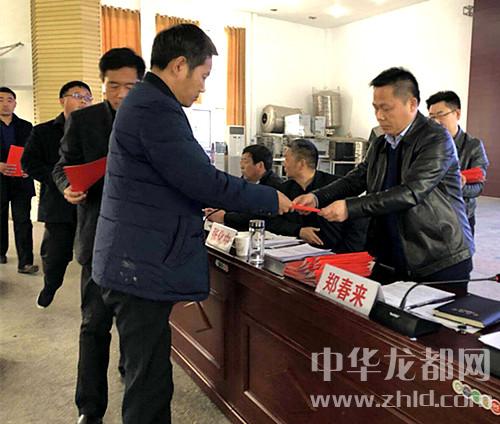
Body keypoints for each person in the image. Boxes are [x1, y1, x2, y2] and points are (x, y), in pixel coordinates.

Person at [91, 24, 291, 424]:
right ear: (180, 65)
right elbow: (203, 181)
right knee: (149, 382)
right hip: (140, 265)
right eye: (203, 75)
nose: (202, 87)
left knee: (146, 370)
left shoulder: (147, 102)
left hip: (136, 258)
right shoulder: (155, 108)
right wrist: (271, 199)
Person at [294, 67, 474, 287]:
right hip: (390, 253)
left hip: (437, 254)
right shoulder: (381, 142)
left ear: (412, 104)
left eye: (386, 108)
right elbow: (357, 178)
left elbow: (411, 192)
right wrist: (317, 197)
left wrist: (350, 207)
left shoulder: (436, 139)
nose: (379, 116)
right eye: (376, 108)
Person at [52, 49, 145, 424]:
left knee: (137, 327)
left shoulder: (154, 119)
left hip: (141, 240)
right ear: (102, 84)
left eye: (130, 86)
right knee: (93, 326)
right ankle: (89, 409)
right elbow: (62, 166)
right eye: (113, 85)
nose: (121, 94)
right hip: (98, 237)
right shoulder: (84, 120)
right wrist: (66, 187)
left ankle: (129, 375)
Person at [22, 81, 93, 308]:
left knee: (93, 256)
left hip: (91, 203)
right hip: (58, 202)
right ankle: (50, 286)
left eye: (88, 98)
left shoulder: (97, 131)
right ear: (62, 100)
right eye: (77, 95)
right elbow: (28, 162)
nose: (83, 101)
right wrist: (61, 182)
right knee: (55, 256)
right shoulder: (43, 131)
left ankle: (96, 307)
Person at [267, 138, 368, 252]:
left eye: (286, 159)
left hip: (335, 254)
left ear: (301, 164)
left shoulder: (338, 188)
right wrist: (299, 230)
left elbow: (357, 225)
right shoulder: (284, 190)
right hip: (291, 253)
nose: (283, 163)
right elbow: (271, 221)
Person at [426, 90, 489, 235]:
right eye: (432, 117)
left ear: (457, 114)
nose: (436, 122)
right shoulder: (427, 145)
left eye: (441, 115)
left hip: (461, 217)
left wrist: (457, 186)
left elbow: (478, 187)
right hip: (431, 217)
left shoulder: (473, 146)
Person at [0, 87, 38, 273]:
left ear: (15, 103)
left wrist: (29, 168)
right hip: (0, 179)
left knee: (23, 220)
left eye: (9, 100)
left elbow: (34, 152)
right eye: (0, 100)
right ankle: (0, 252)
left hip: (21, 180)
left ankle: (25, 262)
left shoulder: (26, 126)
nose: (5, 104)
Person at [205, 144, 283, 230]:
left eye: (245, 162)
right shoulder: (245, 181)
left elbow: (256, 217)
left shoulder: (274, 187)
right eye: (241, 161)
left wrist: (225, 217)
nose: (241, 166)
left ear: (260, 165)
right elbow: (233, 200)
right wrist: (216, 210)